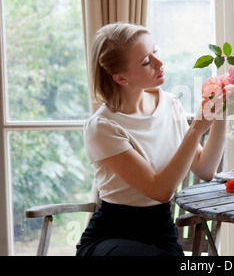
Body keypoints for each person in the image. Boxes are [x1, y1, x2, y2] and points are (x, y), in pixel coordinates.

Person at [76, 22, 225, 256]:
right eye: (146, 61)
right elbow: (160, 190)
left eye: (155, 51)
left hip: (162, 235)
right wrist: (196, 129)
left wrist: (221, 114)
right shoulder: (103, 127)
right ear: (121, 78)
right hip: (112, 237)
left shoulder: (170, 104)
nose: (159, 63)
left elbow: (205, 169)